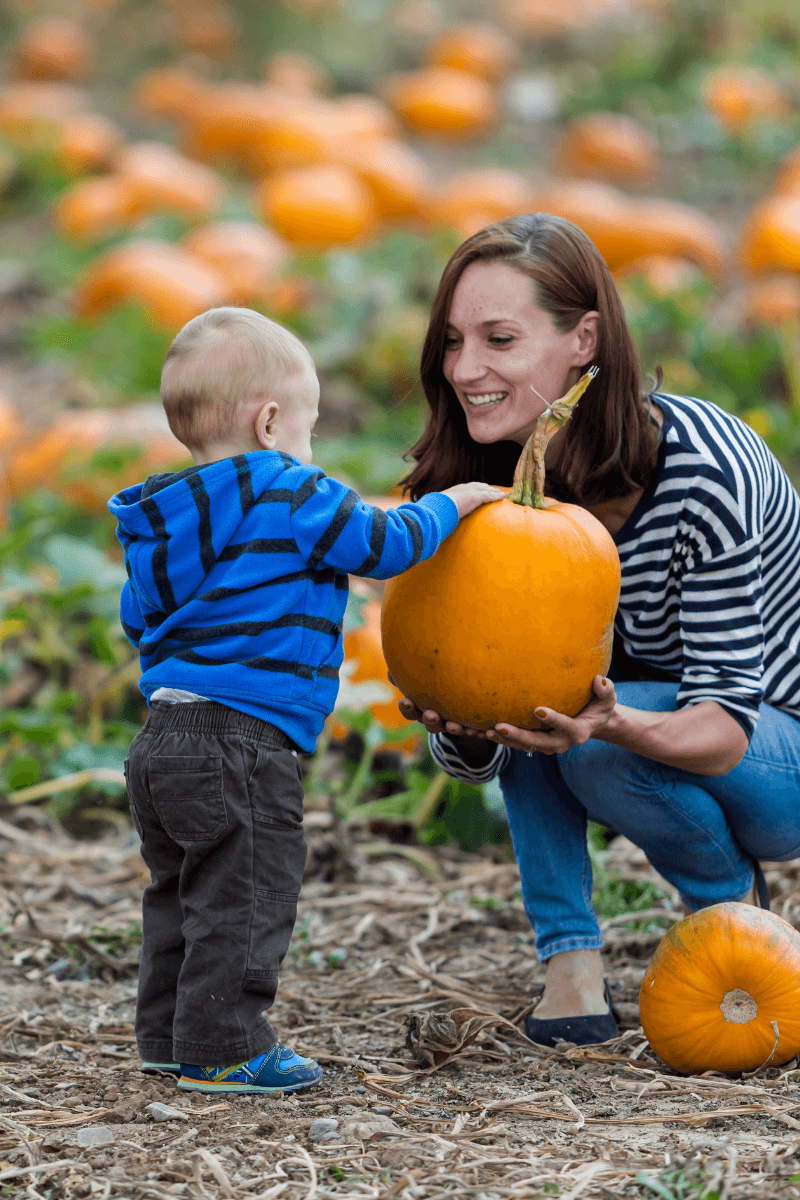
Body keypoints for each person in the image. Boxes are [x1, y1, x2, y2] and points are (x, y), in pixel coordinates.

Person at [393, 212, 800, 1047]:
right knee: (542, 704)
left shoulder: (709, 472)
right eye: (452, 341)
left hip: (773, 750)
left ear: (584, 339)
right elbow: (477, 739)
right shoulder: (475, 484)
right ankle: (570, 966)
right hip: (616, 726)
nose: (466, 369)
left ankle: (730, 910)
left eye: (500, 339)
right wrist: (463, 727)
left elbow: (724, 730)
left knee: (582, 727)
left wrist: (607, 721)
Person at [108, 306, 504, 1094]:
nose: (311, 448)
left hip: (163, 738)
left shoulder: (164, 517)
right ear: (270, 422)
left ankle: (166, 1036)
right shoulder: (289, 489)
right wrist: (455, 503)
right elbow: (381, 546)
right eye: (309, 430)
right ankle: (224, 1047)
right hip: (242, 739)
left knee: (180, 893)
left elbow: (134, 617)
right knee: (247, 892)